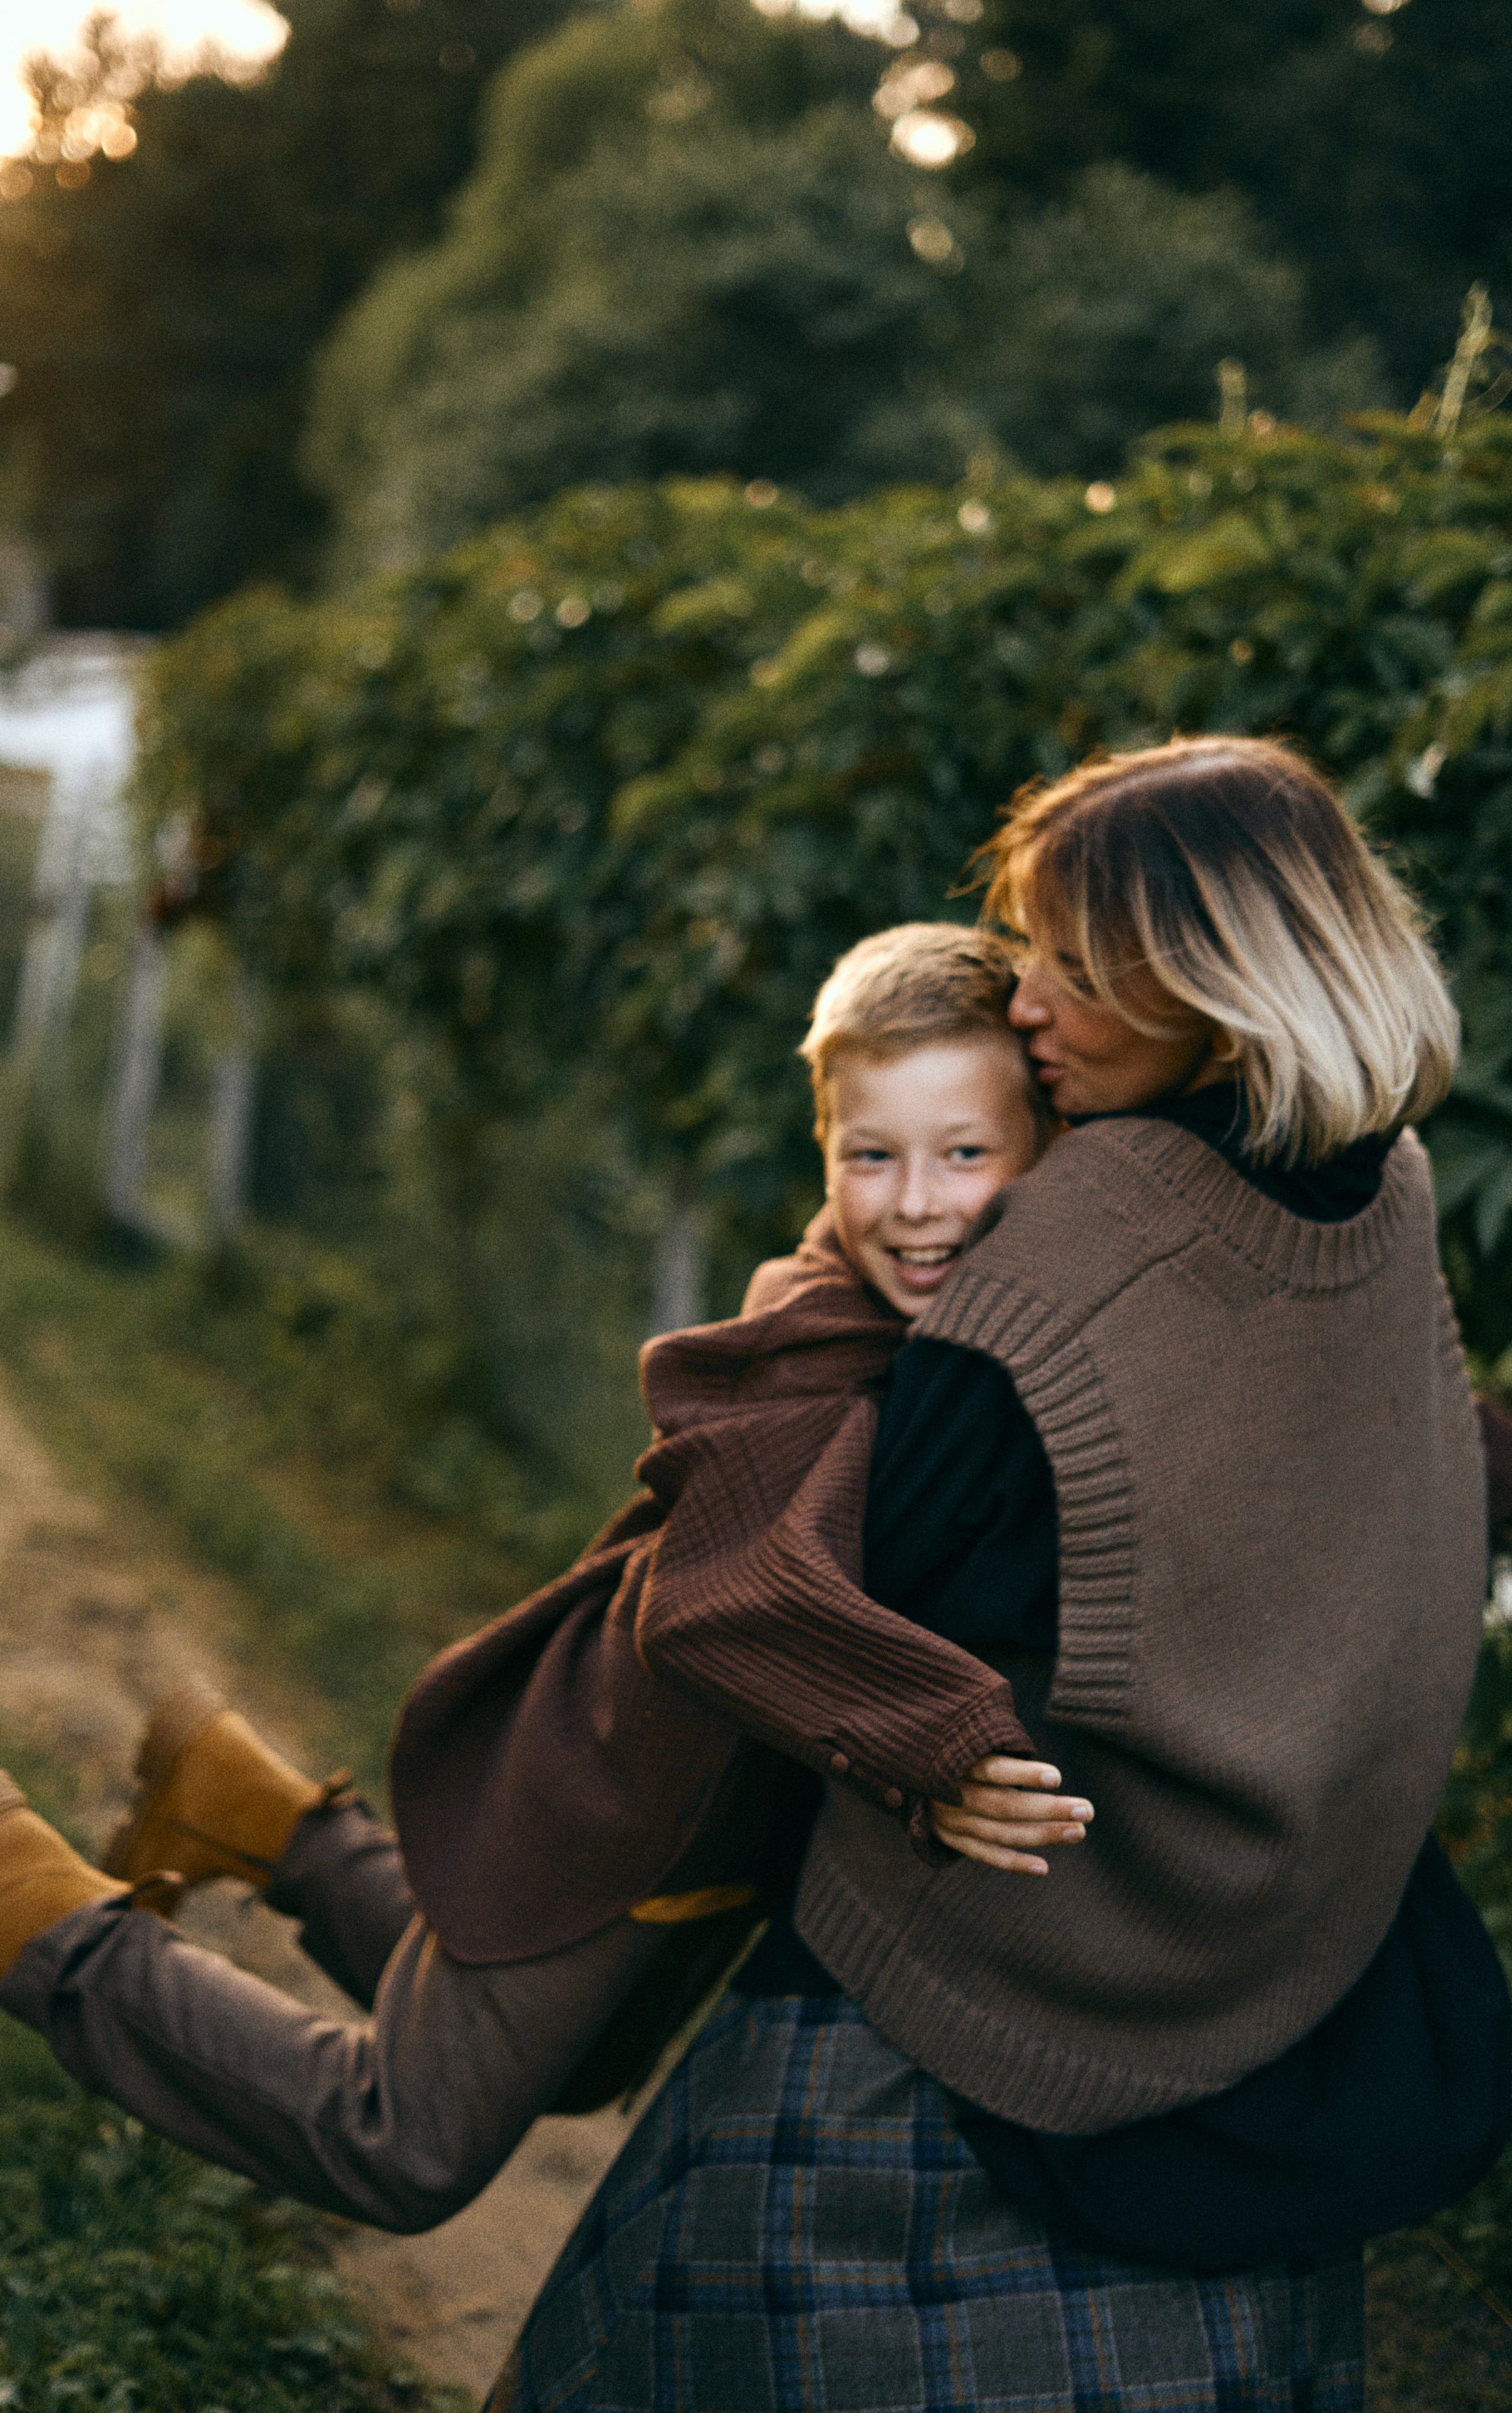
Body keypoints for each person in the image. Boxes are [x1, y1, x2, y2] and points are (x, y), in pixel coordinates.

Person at [486, 735, 1512, 2413]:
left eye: (1076, 966)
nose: (1025, 1003)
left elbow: (902, 1557)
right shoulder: (1383, 1187)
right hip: (1257, 1946)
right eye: (1028, 948)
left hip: (989, 1973)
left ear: (1219, 975)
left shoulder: (1087, 1236)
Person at [0, 924, 1087, 2227]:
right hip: (615, 1799)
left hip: (682, 1817)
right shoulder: (820, 1360)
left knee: (571, 2070)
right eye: (871, 1156)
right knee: (401, 2139)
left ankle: (258, 1812)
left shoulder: (920, 1316)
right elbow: (732, 1597)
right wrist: (944, 1747)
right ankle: (27, 1917)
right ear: (823, 1148)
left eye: (962, 1152)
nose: (915, 1200)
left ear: (1046, 1150)